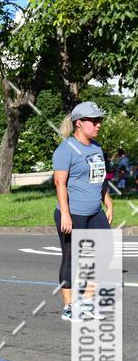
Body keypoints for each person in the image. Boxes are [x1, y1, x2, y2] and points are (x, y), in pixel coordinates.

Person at [53, 101, 113, 321]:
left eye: (100, 120)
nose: (98, 124)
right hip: (73, 212)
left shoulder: (97, 148)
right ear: (79, 123)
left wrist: (108, 201)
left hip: (94, 210)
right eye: (94, 120)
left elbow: (98, 178)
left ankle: (86, 302)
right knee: (72, 258)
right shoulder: (66, 149)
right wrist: (66, 214)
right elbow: (60, 183)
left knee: (105, 253)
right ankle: (69, 308)